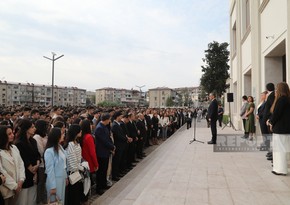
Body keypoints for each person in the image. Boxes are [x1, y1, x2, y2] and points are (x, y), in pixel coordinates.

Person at [15, 119, 40, 205]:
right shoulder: (19, 143)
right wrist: (32, 170)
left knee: (32, 200)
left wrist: (37, 164)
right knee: (23, 200)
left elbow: (37, 154)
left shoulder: (33, 141)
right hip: (25, 174)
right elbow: (23, 159)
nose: (34, 129)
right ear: (26, 129)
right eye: (32, 127)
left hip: (34, 173)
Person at [267, 82, 290, 176]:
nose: (275, 90)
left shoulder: (281, 100)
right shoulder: (288, 99)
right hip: (286, 129)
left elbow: (276, 114)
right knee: (283, 150)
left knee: (279, 150)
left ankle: (280, 169)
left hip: (280, 129)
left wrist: (270, 121)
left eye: (277, 88)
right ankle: (282, 168)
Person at [0, 125, 25, 204]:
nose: (12, 135)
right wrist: (14, 186)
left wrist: (21, 180)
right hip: (6, 188)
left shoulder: (14, 147)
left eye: (12, 133)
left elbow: (21, 164)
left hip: (18, 185)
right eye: (9, 134)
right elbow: (2, 171)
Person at [44, 127, 67, 204]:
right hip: (54, 180)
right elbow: (50, 170)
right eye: (62, 134)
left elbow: (63, 164)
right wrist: (53, 186)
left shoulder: (60, 147)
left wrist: (65, 176)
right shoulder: (49, 151)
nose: (63, 135)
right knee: (54, 202)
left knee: (61, 201)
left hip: (62, 178)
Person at [94, 113, 115, 195]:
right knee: (101, 171)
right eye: (109, 119)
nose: (110, 121)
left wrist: (112, 146)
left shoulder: (104, 127)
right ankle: (99, 188)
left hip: (106, 151)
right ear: (106, 119)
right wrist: (112, 147)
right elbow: (104, 141)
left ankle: (103, 184)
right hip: (101, 152)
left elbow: (108, 138)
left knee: (104, 170)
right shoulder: (99, 128)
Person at [64, 124, 84, 205]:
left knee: (77, 195)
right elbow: (72, 162)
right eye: (80, 130)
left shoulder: (76, 142)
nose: (81, 132)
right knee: (73, 196)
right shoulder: (70, 145)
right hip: (73, 172)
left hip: (78, 171)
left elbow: (78, 157)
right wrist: (81, 168)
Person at [33, 120, 48, 205]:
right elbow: (41, 151)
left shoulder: (45, 136)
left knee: (45, 182)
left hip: (46, 162)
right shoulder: (37, 137)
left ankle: (44, 198)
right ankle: (39, 200)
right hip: (42, 163)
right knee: (41, 182)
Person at [263, 83, 275, 160]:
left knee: (272, 137)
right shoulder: (270, 95)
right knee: (271, 137)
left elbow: (271, 108)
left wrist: (268, 119)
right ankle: (271, 152)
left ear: (267, 88)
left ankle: (273, 153)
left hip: (270, 119)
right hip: (269, 118)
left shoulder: (272, 95)